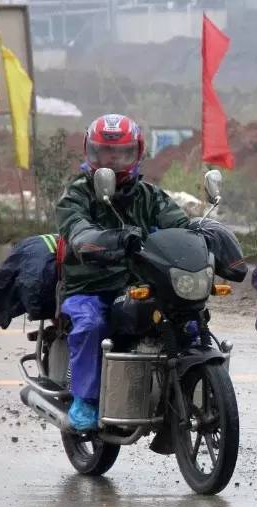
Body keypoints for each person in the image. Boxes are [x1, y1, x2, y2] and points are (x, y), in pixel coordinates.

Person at [56, 113, 191, 431]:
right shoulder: (77, 194)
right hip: (90, 286)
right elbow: (77, 230)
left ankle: (186, 390)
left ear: (136, 153)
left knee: (187, 321)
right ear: (90, 152)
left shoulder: (149, 195)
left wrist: (203, 232)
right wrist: (109, 239)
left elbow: (179, 223)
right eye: (104, 152)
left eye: (122, 153)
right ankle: (85, 399)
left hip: (137, 283)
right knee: (91, 323)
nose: (112, 160)